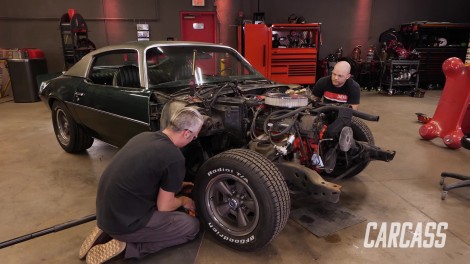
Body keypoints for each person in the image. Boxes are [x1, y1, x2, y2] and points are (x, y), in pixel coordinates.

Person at [79, 107, 204, 264]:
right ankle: (128, 248)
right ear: (186, 133)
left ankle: (106, 231)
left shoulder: (144, 136)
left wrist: (177, 185)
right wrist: (185, 200)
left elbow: (146, 177)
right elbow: (164, 206)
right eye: (195, 136)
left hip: (107, 211)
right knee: (191, 227)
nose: (194, 139)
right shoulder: (174, 157)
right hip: (126, 223)